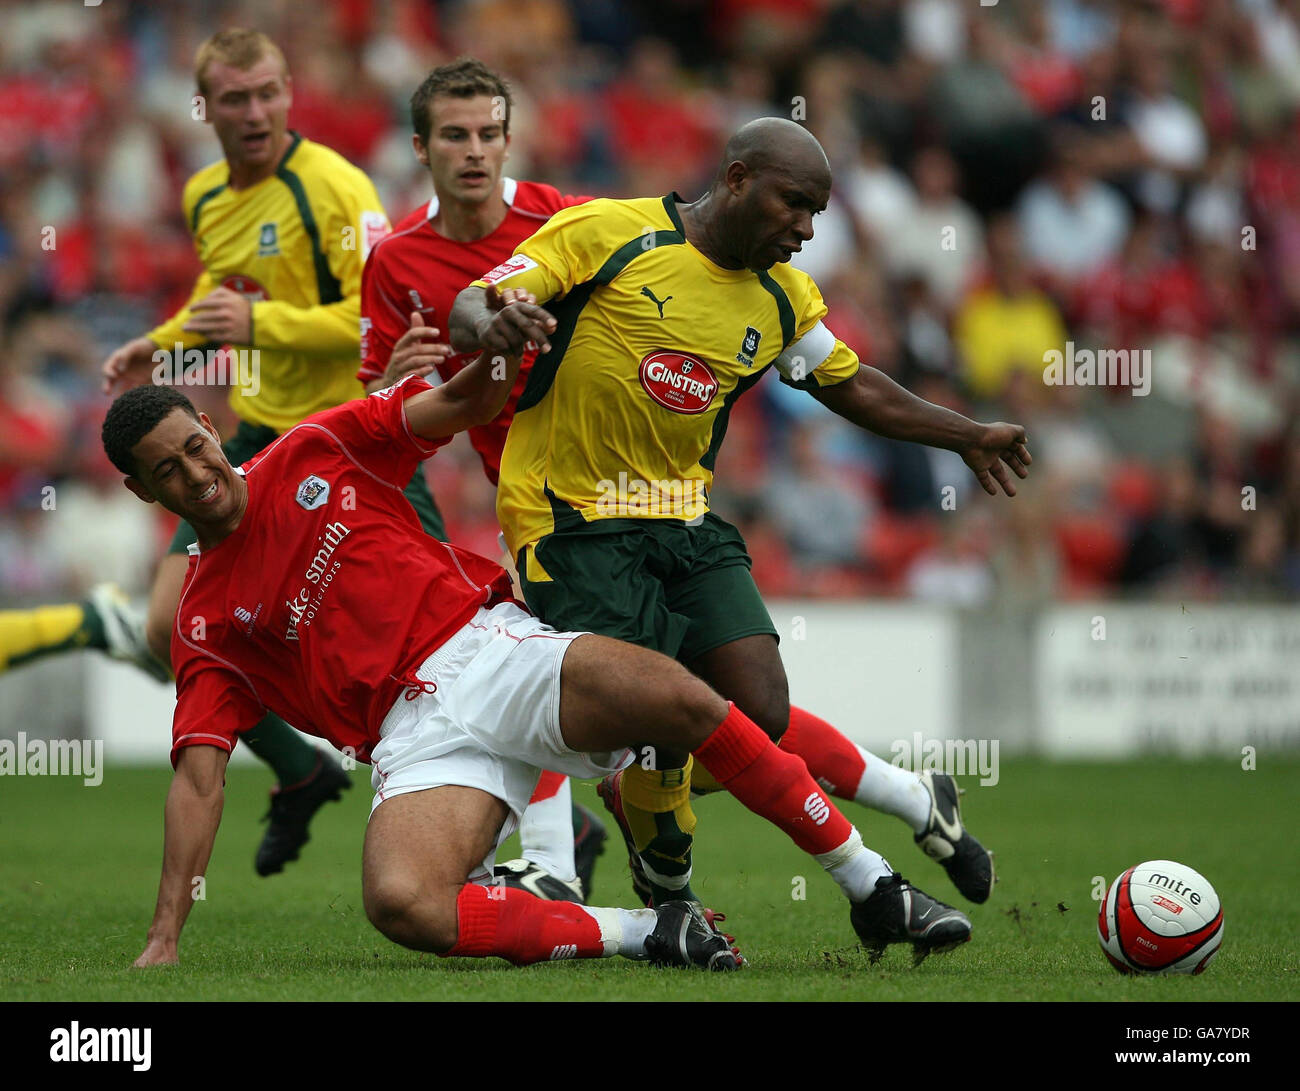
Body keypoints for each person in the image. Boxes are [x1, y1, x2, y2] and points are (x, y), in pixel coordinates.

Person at [108, 324, 973, 970]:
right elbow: (199, 778)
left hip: (491, 650)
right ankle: (645, 930)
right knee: (401, 902)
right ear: (143, 491)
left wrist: (493, 347)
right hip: (414, 738)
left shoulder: (313, 446)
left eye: (196, 446)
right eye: (168, 471)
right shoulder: (202, 621)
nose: (196, 473)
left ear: (213, 429)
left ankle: (873, 884)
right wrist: (163, 936)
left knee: (685, 700)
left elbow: (459, 404)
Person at [448, 118, 1031, 911]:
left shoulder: (782, 298)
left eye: (817, 213)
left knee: (757, 708)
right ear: (734, 179)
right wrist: (498, 318)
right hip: (573, 521)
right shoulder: (611, 231)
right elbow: (475, 302)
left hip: (682, 522)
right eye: (794, 203)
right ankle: (650, 875)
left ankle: (639, 816)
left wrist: (967, 434)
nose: (806, 227)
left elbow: (851, 385)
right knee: (643, 717)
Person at [0, 28, 422, 876]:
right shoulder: (205, 194)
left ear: (290, 90)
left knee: (412, 647)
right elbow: (217, 293)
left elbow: (384, 316)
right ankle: (301, 768)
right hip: (253, 444)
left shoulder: (335, 188)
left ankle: (550, 831)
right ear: (206, 107)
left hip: (343, 447)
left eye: (267, 92)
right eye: (235, 98)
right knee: (170, 627)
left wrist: (261, 325)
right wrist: (157, 343)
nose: (255, 111)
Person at [357, 58, 603, 901]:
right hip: (530, 496)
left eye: (488, 134)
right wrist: (392, 378)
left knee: (694, 694)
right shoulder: (395, 260)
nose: (474, 151)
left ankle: (558, 854)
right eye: (454, 136)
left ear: (508, 140)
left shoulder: (563, 220)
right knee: (552, 662)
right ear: (420, 147)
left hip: (625, 477)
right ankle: (556, 860)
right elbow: (383, 411)